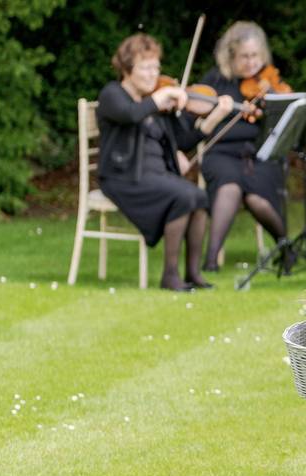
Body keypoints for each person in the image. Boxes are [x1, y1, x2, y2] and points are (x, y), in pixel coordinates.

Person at [97, 33, 234, 291]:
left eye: (156, 67)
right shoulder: (113, 94)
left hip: (155, 175)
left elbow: (184, 139)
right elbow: (130, 114)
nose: (153, 74)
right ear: (127, 68)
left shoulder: (156, 102)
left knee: (200, 197)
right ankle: (170, 275)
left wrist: (216, 115)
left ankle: (193, 274)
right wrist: (163, 96)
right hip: (122, 177)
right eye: (146, 67)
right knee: (182, 195)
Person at [197, 21, 293, 273]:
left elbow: (283, 124)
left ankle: (286, 248)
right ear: (231, 57)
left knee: (256, 197)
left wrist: (271, 101)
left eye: (255, 56)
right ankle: (211, 258)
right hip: (220, 153)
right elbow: (197, 124)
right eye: (244, 57)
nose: (251, 63)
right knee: (229, 184)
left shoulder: (268, 83)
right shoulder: (215, 81)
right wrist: (219, 112)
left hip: (258, 155)